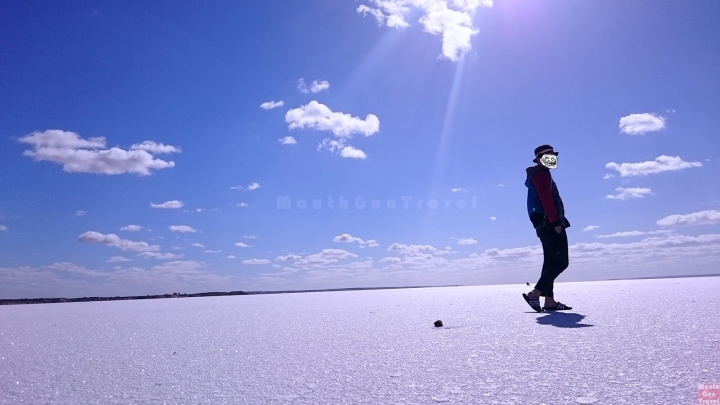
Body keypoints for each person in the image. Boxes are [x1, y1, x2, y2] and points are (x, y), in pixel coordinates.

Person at [522, 145, 572, 312]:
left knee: (550, 261)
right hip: (549, 223)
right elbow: (546, 198)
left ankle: (549, 301)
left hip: (542, 223)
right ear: (540, 159)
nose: (552, 159)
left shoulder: (538, 174)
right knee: (561, 261)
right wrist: (556, 222)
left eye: (553, 156)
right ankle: (535, 293)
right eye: (549, 156)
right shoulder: (541, 174)